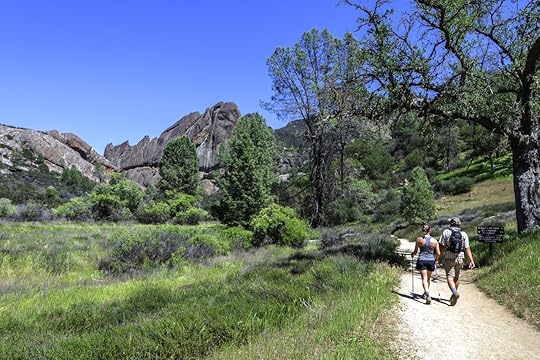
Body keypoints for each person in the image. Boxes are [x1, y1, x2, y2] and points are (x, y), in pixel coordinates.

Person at [438, 217, 476, 306]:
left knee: (449, 277)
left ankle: (455, 293)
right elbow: (467, 248)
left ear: (451, 224)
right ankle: (454, 294)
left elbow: (442, 247)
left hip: (449, 258)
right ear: (459, 224)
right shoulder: (464, 234)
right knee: (457, 277)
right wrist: (471, 260)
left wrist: (439, 257)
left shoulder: (446, 232)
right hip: (460, 258)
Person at [411, 224, 441, 304]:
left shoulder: (418, 240)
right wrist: (436, 260)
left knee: (424, 278)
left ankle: (427, 294)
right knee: (428, 278)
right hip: (431, 260)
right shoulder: (435, 241)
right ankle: (426, 292)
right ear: (430, 231)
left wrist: (412, 255)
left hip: (422, 260)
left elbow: (415, 251)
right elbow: (438, 253)